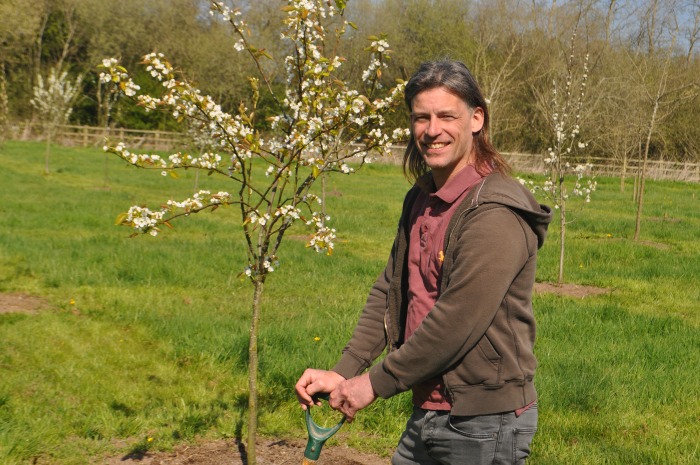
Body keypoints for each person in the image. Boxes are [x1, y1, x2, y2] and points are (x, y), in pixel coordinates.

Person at [295, 60, 552, 465]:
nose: (432, 130)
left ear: (476, 119)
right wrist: (345, 371)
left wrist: (374, 384)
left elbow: (456, 322)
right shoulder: (421, 199)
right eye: (421, 117)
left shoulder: (495, 212)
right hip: (429, 409)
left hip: (484, 421)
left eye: (446, 115)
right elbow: (391, 290)